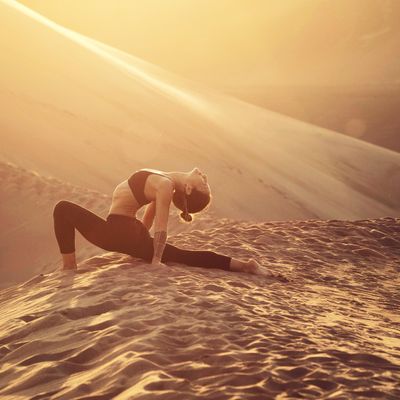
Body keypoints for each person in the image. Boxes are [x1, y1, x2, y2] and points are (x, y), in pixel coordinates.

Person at [53, 167, 260, 273]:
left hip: (118, 231)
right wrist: (140, 241)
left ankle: (69, 268)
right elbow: (150, 214)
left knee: (62, 209)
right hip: (128, 231)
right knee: (182, 255)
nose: (205, 178)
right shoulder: (165, 180)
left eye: (204, 184)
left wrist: (156, 260)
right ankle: (244, 265)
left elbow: (161, 226)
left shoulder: (164, 185)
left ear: (188, 189)